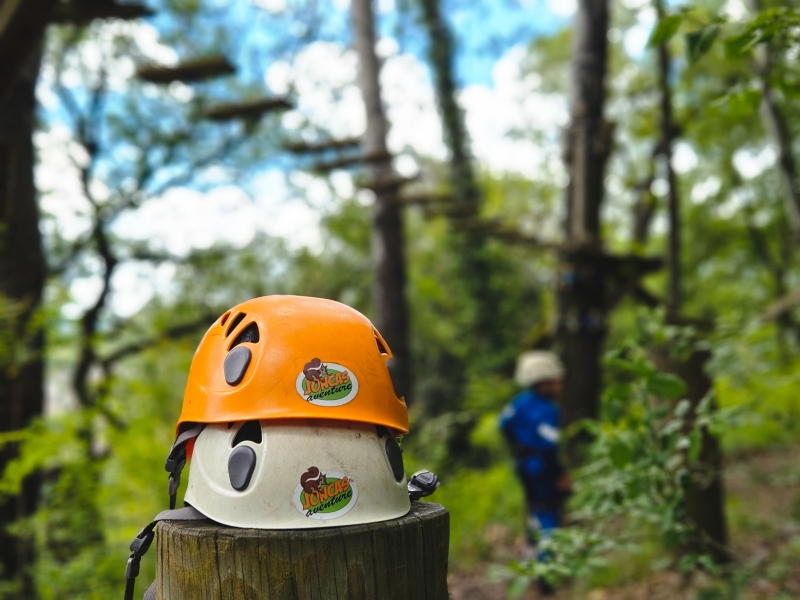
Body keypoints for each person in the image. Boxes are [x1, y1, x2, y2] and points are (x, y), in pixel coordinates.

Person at [499, 350, 571, 586]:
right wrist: (560, 474)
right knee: (548, 513)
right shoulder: (548, 410)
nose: (559, 385)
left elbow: (504, 423)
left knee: (533, 511)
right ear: (543, 383)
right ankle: (546, 576)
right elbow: (549, 447)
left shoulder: (519, 403)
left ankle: (532, 562)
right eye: (555, 381)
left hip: (523, 465)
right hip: (542, 468)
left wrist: (519, 447)